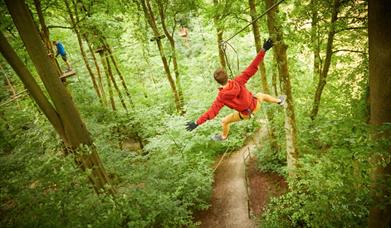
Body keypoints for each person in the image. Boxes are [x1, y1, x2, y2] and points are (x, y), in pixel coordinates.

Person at [185, 39, 286, 141]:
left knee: (224, 121)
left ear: (217, 82)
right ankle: (279, 101)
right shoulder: (238, 81)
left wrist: (196, 123)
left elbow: (211, 112)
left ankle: (224, 136)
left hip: (246, 114)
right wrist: (264, 49)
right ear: (227, 76)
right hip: (256, 104)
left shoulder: (221, 98)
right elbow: (253, 66)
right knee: (261, 95)